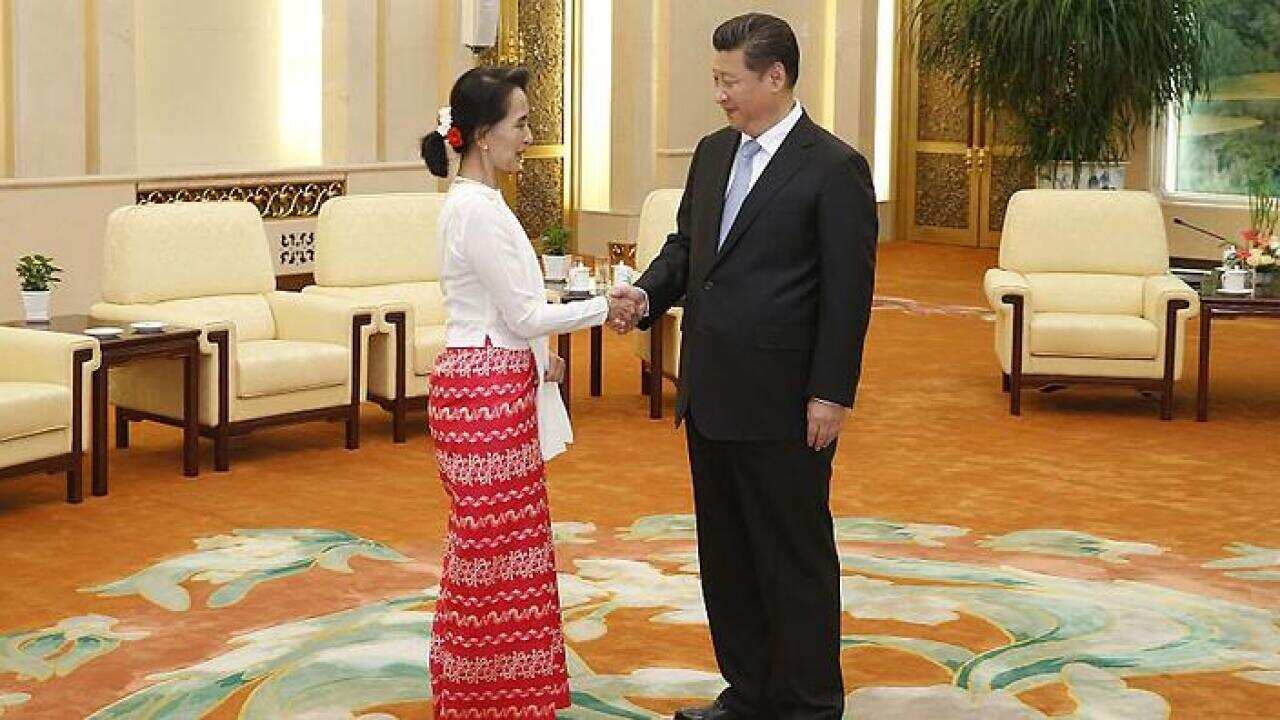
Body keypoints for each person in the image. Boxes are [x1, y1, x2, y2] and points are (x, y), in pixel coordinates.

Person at [610, 13, 878, 720]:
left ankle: (811, 705)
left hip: (788, 403)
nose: (720, 94)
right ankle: (750, 694)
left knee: (793, 559)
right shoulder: (711, 153)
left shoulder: (833, 167)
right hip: (711, 392)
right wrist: (645, 292)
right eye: (716, 79)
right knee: (726, 559)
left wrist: (830, 392)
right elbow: (688, 249)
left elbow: (849, 295)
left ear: (775, 77)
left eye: (730, 80)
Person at [420, 67, 639, 719]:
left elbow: (508, 315)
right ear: (483, 135)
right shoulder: (473, 210)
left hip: (497, 383)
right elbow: (519, 315)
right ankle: (479, 693)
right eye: (520, 123)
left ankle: (501, 693)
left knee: (509, 548)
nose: (530, 135)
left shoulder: (483, 204)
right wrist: (605, 304)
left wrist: (541, 359)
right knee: (491, 550)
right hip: (482, 394)